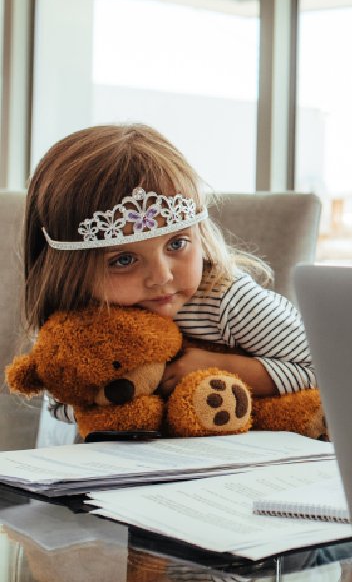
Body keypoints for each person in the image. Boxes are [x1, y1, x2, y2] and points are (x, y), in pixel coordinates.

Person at [20, 123, 316, 434]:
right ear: (69, 271)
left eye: (176, 244)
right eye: (123, 260)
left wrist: (221, 367)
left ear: (200, 234)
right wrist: (125, 395)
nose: (162, 276)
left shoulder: (228, 300)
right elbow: (60, 404)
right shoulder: (79, 322)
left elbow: (325, 369)